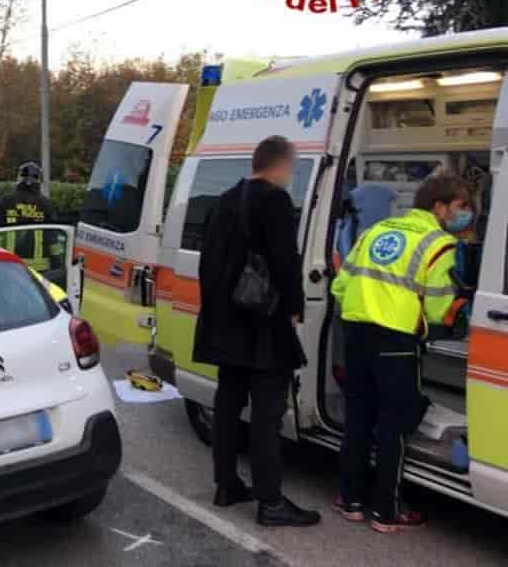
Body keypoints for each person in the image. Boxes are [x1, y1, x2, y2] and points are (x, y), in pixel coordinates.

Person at [332, 173, 472, 534]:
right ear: (438, 207)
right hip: (394, 339)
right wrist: (453, 314)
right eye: (461, 206)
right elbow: (440, 307)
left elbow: (341, 283)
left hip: (355, 330)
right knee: (394, 422)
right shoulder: (439, 244)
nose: (466, 214)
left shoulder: (376, 230)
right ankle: (386, 511)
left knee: (360, 414)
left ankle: (350, 501)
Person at [194, 136, 320, 527]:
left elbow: (208, 262)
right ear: (281, 165)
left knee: (229, 406)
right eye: (291, 168)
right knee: (267, 415)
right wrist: (295, 307)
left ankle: (227, 484)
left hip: (224, 324)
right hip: (262, 327)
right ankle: (271, 502)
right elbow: (286, 261)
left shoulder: (225, 199)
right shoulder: (275, 201)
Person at [0, 162, 56, 226]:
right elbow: (52, 230)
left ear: (19, 178)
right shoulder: (46, 203)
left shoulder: (6, 200)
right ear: (38, 180)